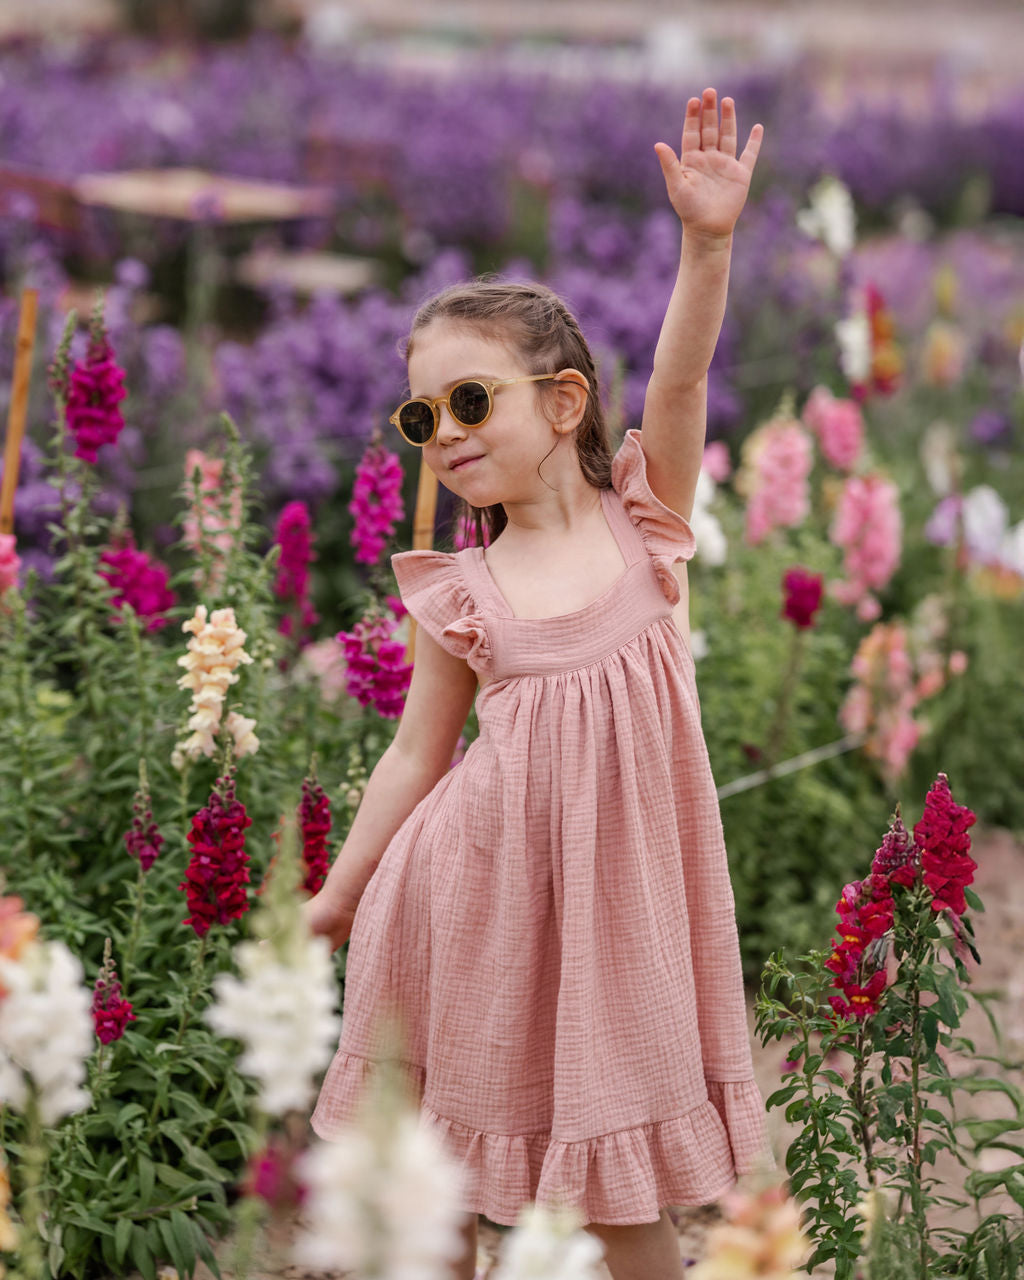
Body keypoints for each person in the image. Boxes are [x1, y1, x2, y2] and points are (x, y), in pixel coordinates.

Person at [308, 89, 767, 1280]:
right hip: (469, 898)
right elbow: (416, 755)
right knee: (439, 1185)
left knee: (624, 1193)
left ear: (563, 404)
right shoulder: (469, 589)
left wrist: (705, 244)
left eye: (472, 399)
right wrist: (337, 896)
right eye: (423, 415)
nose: (445, 431)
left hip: (617, 914)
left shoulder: (642, 520)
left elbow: (678, 379)